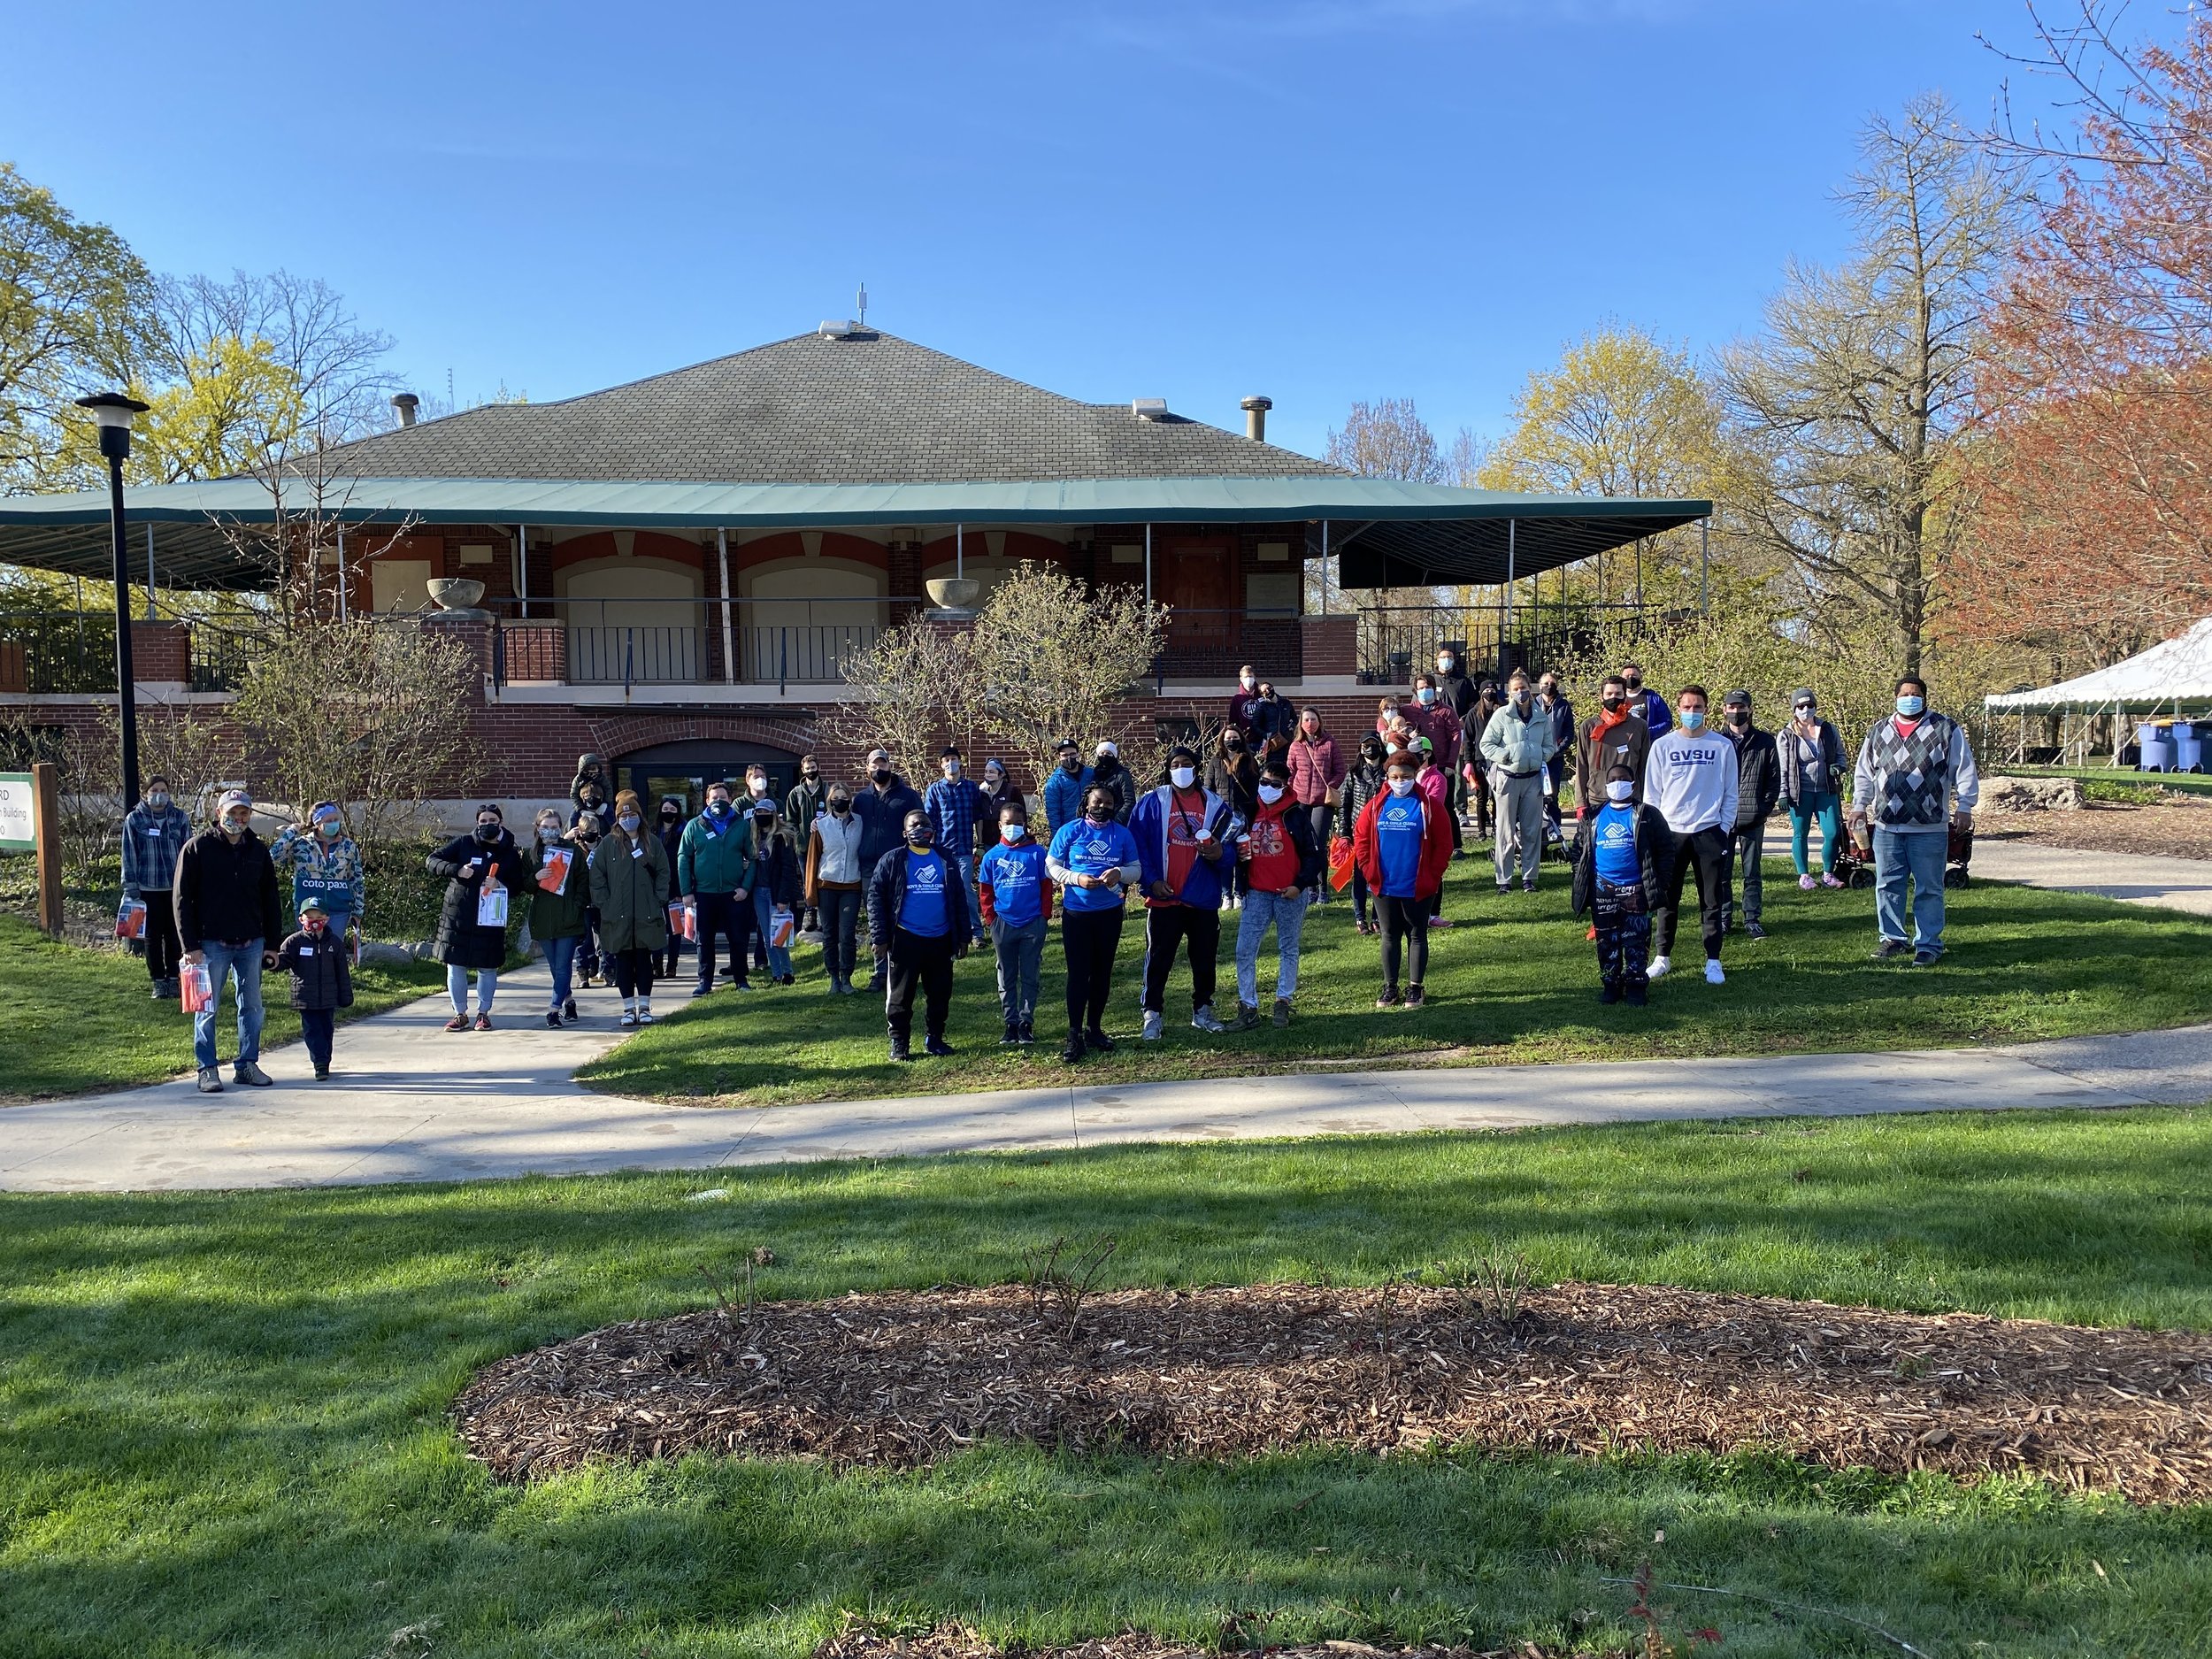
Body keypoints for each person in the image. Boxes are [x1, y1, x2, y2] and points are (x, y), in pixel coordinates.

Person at [1852, 673, 1979, 966]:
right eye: (1904, 694)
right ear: (1896, 698)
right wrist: (1859, 804)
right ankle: (1893, 939)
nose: (1910, 698)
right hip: (1887, 826)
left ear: (1924, 697)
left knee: (1929, 888)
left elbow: (1965, 770)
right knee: (1887, 884)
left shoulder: (1946, 729)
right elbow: (1864, 772)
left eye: (1915, 693)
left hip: (1929, 826)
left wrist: (1965, 805)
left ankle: (1929, 944)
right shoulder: (1879, 731)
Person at [175, 788, 284, 1092]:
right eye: (233, 813)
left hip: (251, 942)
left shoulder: (258, 851)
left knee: (252, 1006)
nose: (238, 818)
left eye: (244, 813)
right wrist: (190, 945)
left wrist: (273, 944)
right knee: (207, 1009)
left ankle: (247, 1064)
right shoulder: (197, 848)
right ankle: (207, 1069)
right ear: (218, 813)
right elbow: (182, 900)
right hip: (210, 944)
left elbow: (271, 898)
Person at [1131, 744, 1234, 1039]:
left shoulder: (1216, 805)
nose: (1181, 769)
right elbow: (1137, 845)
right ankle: (1152, 1013)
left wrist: (1218, 854)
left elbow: (1230, 852)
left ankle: (1203, 1010)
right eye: (1175, 764)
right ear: (1168, 768)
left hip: (1202, 898)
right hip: (1165, 897)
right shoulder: (1152, 802)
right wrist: (1150, 881)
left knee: (1204, 958)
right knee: (1159, 956)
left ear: (1197, 767)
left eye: (1186, 763)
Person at [1645, 687, 1740, 987]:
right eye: (1687, 706)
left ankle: (1713, 959)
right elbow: (1652, 794)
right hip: (1671, 833)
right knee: (1667, 898)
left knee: (1712, 899)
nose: (1693, 711)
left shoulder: (1722, 746)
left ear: (1707, 710)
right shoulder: (1662, 746)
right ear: (1678, 708)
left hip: (1709, 832)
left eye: (1698, 706)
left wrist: (1722, 829)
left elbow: (1731, 793)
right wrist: (1656, 831)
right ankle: (1662, 956)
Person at [1048, 781, 1142, 1062]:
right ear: (1086, 802)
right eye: (1098, 802)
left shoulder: (1122, 835)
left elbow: (1136, 869)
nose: (1103, 807)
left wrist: (1120, 873)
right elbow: (1051, 866)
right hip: (1077, 913)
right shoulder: (1070, 831)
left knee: (1102, 973)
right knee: (1079, 974)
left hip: (1110, 913)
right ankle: (1074, 1034)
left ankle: (1095, 1029)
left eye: (1109, 803)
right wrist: (1076, 878)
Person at [866, 808, 971, 1061]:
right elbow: (875, 897)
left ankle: (934, 1038)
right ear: (905, 832)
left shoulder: (945, 858)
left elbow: (958, 897)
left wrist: (964, 936)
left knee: (940, 994)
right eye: (913, 825)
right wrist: (879, 937)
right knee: (901, 996)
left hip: (941, 939)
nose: (919, 828)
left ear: (932, 829)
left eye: (923, 824)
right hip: (905, 939)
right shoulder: (893, 860)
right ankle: (899, 1043)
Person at [1353, 749, 1454, 1008]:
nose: (1399, 781)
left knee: (1417, 935)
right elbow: (1361, 838)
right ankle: (1390, 987)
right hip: (1384, 885)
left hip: (1418, 884)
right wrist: (1368, 869)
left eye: (1405, 776)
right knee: (1389, 935)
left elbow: (1444, 844)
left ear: (1415, 775)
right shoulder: (1376, 805)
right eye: (1394, 776)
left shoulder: (1429, 805)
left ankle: (1415, 988)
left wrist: (1433, 875)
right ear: (1387, 776)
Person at [1233, 757, 1322, 1028]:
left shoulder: (1296, 815)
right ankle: (1248, 1007)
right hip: (1257, 892)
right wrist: (1240, 875)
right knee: (1244, 950)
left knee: (1288, 949)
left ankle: (1283, 1001)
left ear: (1285, 786)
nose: (1268, 787)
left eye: (1275, 784)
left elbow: (1315, 855)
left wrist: (1300, 884)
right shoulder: (1248, 812)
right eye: (1263, 782)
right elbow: (1236, 850)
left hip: (1289, 893)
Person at [1571, 764, 1665, 1006]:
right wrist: (1581, 877)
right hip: (1602, 889)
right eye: (1613, 779)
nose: (1618, 783)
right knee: (1606, 941)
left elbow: (1666, 850)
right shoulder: (1593, 817)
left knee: (1636, 940)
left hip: (1636, 888)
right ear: (1606, 784)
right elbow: (1578, 852)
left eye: (1623, 779)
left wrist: (1659, 881)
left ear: (1633, 783)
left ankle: (1635, 985)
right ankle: (1610, 984)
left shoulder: (1647, 815)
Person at [429, 804, 526, 1031]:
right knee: (455, 966)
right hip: (458, 916)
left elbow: (519, 885)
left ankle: (484, 1014)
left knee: (487, 967)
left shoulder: (510, 853)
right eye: (482, 821)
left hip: (490, 917)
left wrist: (500, 884)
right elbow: (432, 860)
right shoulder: (463, 843)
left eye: (492, 820)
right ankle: (459, 1014)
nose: (487, 825)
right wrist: (457, 870)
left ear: (500, 823)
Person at [588, 787, 672, 1025]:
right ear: (617, 819)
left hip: (646, 913)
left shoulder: (652, 843)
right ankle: (627, 1008)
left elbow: (664, 873)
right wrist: (605, 905)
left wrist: (658, 900)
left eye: (631, 815)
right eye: (623, 816)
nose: (628, 819)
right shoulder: (608, 845)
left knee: (644, 961)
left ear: (640, 816)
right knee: (623, 961)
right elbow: (597, 878)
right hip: (618, 915)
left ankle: (644, 1006)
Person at [978, 796, 1052, 1044]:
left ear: (1025, 824)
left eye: (1018, 823)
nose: (1013, 826)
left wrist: (1043, 917)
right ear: (1000, 825)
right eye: (1008, 822)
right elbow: (985, 892)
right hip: (1003, 923)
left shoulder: (1037, 853)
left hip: (1032, 922)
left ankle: (1025, 1023)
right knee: (1006, 976)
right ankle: (1010, 1023)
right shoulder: (991, 857)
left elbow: (1045, 887)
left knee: (1030, 975)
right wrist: (991, 919)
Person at [1479, 670, 1560, 895]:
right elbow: (1486, 745)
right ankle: (1503, 880)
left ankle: (1529, 878)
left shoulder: (1541, 717)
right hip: (1508, 779)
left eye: (1523, 688)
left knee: (1531, 831)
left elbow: (1550, 746)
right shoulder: (1502, 715)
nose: (1520, 692)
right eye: (1515, 689)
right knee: (1504, 832)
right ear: (1509, 693)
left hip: (1533, 780)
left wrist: (1539, 756)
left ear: (1530, 689)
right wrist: (1506, 756)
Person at [851, 747, 924, 990]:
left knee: (900, 916)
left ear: (890, 766)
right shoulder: (860, 799)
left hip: (899, 865)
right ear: (867, 768)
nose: (878, 768)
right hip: (868, 868)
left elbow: (921, 828)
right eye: (874, 764)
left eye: (882, 764)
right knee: (876, 919)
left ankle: (902, 968)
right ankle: (880, 972)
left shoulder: (908, 796)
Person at [678, 780, 755, 997]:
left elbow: (754, 858)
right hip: (704, 893)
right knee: (705, 940)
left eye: (722, 798)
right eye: (714, 798)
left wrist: (745, 888)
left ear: (730, 800)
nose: (718, 801)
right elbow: (683, 859)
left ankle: (741, 979)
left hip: (734, 893)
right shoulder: (695, 826)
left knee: (738, 938)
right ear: (707, 801)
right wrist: (686, 891)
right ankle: (705, 981)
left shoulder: (742, 826)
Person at [119, 772, 190, 999]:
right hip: (147, 888)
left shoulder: (179, 818)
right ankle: (158, 981)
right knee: (152, 937)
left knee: (174, 936)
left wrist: (190, 883)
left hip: (174, 888)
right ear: (145, 794)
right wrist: (130, 886)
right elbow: (128, 854)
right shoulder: (135, 820)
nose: (159, 796)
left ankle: (173, 979)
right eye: (154, 791)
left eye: (163, 791)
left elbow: (188, 853)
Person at [1719, 690, 1781, 941]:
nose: (1736, 712)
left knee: (1752, 873)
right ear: (1724, 710)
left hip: (1752, 817)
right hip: (1721, 819)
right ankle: (1723, 918)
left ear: (1750, 709)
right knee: (1721, 873)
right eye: (1732, 707)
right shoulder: (1716, 741)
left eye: (1741, 707)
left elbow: (1774, 781)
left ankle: (1752, 919)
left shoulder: (1766, 741)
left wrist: (1761, 808)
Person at [525, 806, 590, 1026]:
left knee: (563, 967)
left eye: (554, 827)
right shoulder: (530, 854)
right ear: (537, 828)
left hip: (568, 918)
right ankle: (569, 1000)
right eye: (545, 827)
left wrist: (577, 905)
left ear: (561, 828)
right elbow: (523, 885)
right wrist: (536, 877)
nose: (550, 831)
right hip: (543, 919)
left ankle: (554, 1009)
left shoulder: (572, 850)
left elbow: (584, 881)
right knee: (554, 967)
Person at [270, 801, 365, 951]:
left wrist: (358, 910)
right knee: (307, 951)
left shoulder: (349, 846)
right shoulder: (301, 845)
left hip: (338, 908)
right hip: (307, 908)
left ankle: (332, 976)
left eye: (335, 819)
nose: (334, 824)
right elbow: (272, 858)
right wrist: (291, 832)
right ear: (317, 823)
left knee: (331, 951)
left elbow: (356, 878)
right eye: (328, 821)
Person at [276, 897, 353, 1080]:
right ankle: (319, 1062)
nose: (314, 921)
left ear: (326, 918)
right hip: (305, 997)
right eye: (309, 916)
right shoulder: (294, 942)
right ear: (301, 919)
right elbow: (283, 960)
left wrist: (345, 995)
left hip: (328, 996)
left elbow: (342, 972)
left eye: (318, 916)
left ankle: (324, 1060)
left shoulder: (334, 943)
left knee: (327, 1029)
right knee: (312, 1030)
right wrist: (271, 961)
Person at [1779, 688, 1848, 891]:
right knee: (1801, 832)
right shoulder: (1786, 735)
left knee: (1833, 832)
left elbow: (1840, 755)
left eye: (1809, 705)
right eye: (1801, 706)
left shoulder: (1828, 729)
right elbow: (1782, 766)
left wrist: (1839, 766)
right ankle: (1804, 876)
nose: (1806, 710)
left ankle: (1828, 873)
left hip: (1826, 790)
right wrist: (1783, 793)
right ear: (1794, 709)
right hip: (1800, 792)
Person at [803, 782, 868, 995]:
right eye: (835, 797)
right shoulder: (820, 825)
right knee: (829, 934)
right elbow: (813, 859)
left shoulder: (860, 822)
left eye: (843, 796)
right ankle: (833, 978)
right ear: (830, 801)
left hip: (851, 885)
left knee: (847, 934)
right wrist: (810, 893)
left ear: (849, 799)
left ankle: (847, 977)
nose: (839, 800)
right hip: (827, 886)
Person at [924, 746, 991, 945]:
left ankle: (976, 933)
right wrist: (930, 847)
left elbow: (978, 817)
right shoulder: (934, 790)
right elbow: (930, 821)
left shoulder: (971, 788)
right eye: (946, 760)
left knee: (966, 890)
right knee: (943, 890)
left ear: (960, 762)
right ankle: (947, 931)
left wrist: (979, 843)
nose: (950, 763)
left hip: (964, 850)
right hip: (942, 851)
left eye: (954, 759)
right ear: (941, 765)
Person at [1575, 674, 1653, 820]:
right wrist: (1580, 802)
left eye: (1618, 694)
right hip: (1597, 798)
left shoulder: (1639, 726)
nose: (1613, 698)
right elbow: (1582, 766)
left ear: (1625, 696)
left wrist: (1647, 799)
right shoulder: (1588, 727)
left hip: (1631, 798)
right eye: (1609, 694)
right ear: (1601, 697)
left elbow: (1644, 767)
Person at [1286, 707, 1346, 898]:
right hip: (1301, 799)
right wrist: (1289, 793)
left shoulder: (1330, 743)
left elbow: (1340, 769)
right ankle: (1308, 887)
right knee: (1303, 844)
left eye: (1313, 719)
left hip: (1323, 801)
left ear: (1319, 721)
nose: (1310, 723)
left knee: (1318, 844)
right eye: (1306, 720)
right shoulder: (1296, 745)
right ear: (1301, 724)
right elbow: (1290, 772)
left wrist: (1330, 785)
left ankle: (1323, 889)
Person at [744, 795, 802, 985]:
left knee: (779, 933)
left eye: (765, 812)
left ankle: (788, 972)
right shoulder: (753, 837)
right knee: (766, 934)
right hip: (758, 892)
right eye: (758, 812)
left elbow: (788, 869)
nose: (761, 815)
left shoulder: (782, 837)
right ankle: (776, 974)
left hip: (776, 891)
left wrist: (783, 897)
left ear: (773, 815)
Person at [1204, 725, 1259, 910]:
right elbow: (1208, 788)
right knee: (1225, 855)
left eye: (1235, 737)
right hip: (1223, 816)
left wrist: (1251, 812)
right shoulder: (1215, 761)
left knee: (1243, 855)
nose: (1231, 741)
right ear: (1222, 740)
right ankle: (1226, 894)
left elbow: (1255, 789)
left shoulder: (1249, 760)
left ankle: (1240, 893)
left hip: (1243, 814)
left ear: (1241, 739)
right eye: (1228, 737)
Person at [1342, 733, 1388, 935]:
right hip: (1359, 832)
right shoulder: (1353, 774)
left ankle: (1378, 917)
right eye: (1366, 745)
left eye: (1373, 744)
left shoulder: (1388, 772)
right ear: (1361, 749)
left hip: (1383, 830)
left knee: (1381, 875)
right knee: (1360, 877)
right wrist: (1345, 833)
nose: (1370, 749)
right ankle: (1360, 918)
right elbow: (1345, 804)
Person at [784, 756, 826, 938]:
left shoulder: (827, 789)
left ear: (818, 767)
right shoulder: (796, 793)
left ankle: (825, 916)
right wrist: (798, 838)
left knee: (824, 879)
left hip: (826, 845)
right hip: (803, 847)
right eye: (807, 768)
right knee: (808, 881)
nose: (811, 770)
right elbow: (790, 821)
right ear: (803, 770)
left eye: (813, 767)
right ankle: (810, 914)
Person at [1461, 680, 1504, 841]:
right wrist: (1468, 762)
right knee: (1481, 797)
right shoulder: (1473, 713)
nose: (1490, 693)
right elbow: (1468, 740)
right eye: (1486, 690)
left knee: (1496, 797)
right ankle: (1481, 831)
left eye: (1492, 690)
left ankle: (1496, 827)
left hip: (1498, 759)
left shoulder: (1502, 711)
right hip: (1480, 760)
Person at [1536, 672, 1576, 838]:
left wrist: (1556, 750)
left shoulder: (1563, 706)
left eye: (1552, 683)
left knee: (1552, 795)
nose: (1549, 686)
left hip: (1554, 759)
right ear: (1540, 685)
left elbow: (1569, 732)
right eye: (1546, 683)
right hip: (1535, 758)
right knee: (1534, 795)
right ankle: (1537, 830)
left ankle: (1554, 830)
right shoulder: (1533, 704)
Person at [654, 795, 689, 980]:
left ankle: (672, 966)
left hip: (675, 889)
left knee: (675, 930)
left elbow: (683, 864)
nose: (668, 813)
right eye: (665, 809)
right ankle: (657, 965)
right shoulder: (652, 833)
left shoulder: (683, 833)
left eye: (672, 810)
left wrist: (680, 891)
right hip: (654, 890)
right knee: (656, 929)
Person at [1041, 738, 1093, 836]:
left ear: (1078, 754)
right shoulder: (1055, 781)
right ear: (1059, 757)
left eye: (1072, 754)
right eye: (1064, 755)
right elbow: (1053, 812)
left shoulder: (1091, 774)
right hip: (1069, 830)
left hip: (1091, 828)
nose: (1069, 758)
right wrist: (1057, 836)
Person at [1089, 740, 1137, 823]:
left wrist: (1118, 820)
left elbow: (1129, 801)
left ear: (1114, 755)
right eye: (1102, 753)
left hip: (1117, 822)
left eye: (1108, 753)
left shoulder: (1122, 775)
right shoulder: (1095, 774)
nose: (1105, 756)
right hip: (1098, 821)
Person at [975, 758, 1014, 856]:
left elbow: (1021, 817)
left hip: (1007, 842)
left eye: (992, 772)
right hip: (987, 844)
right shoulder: (981, 793)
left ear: (1001, 774)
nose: (988, 774)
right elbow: (979, 818)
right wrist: (980, 844)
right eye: (986, 772)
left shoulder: (1011, 791)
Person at [1620, 661, 1672, 733]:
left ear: (1641, 677)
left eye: (1634, 676)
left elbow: (1667, 722)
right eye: (1626, 677)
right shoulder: (1618, 699)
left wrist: (1647, 733)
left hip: (1648, 742)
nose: (1630, 678)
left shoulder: (1653, 698)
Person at [1435, 644, 1478, 724]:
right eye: (1443, 657)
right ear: (1437, 660)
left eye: (1450, 657)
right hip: (1435, 726)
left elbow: (1474, 704)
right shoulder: (1431, 680)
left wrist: (1464, 720)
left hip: (1457, 725)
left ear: (1453, 661)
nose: (1446, 660)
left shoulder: (1464, 681)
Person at [1226, 664, 1268, 744]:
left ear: (1254, 677)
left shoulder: (1263, 695)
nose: (1249, 679)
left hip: (1262, 739)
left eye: (1251, 676)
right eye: (1246, 677)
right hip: (1244, 739)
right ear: (1241, 679)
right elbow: (1233, 721)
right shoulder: (1237, 699)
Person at [570, 753, 610, 817]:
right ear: (584, 769)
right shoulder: (578, 780)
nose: (596, 771)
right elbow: (574, 795)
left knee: (610, 815)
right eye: (593, 768)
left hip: (600, 802)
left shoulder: (602, 777)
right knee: (573, 817)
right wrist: (581, 810)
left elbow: (608, 790)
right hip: (584, 804)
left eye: (597, 768)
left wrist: (605, 803)